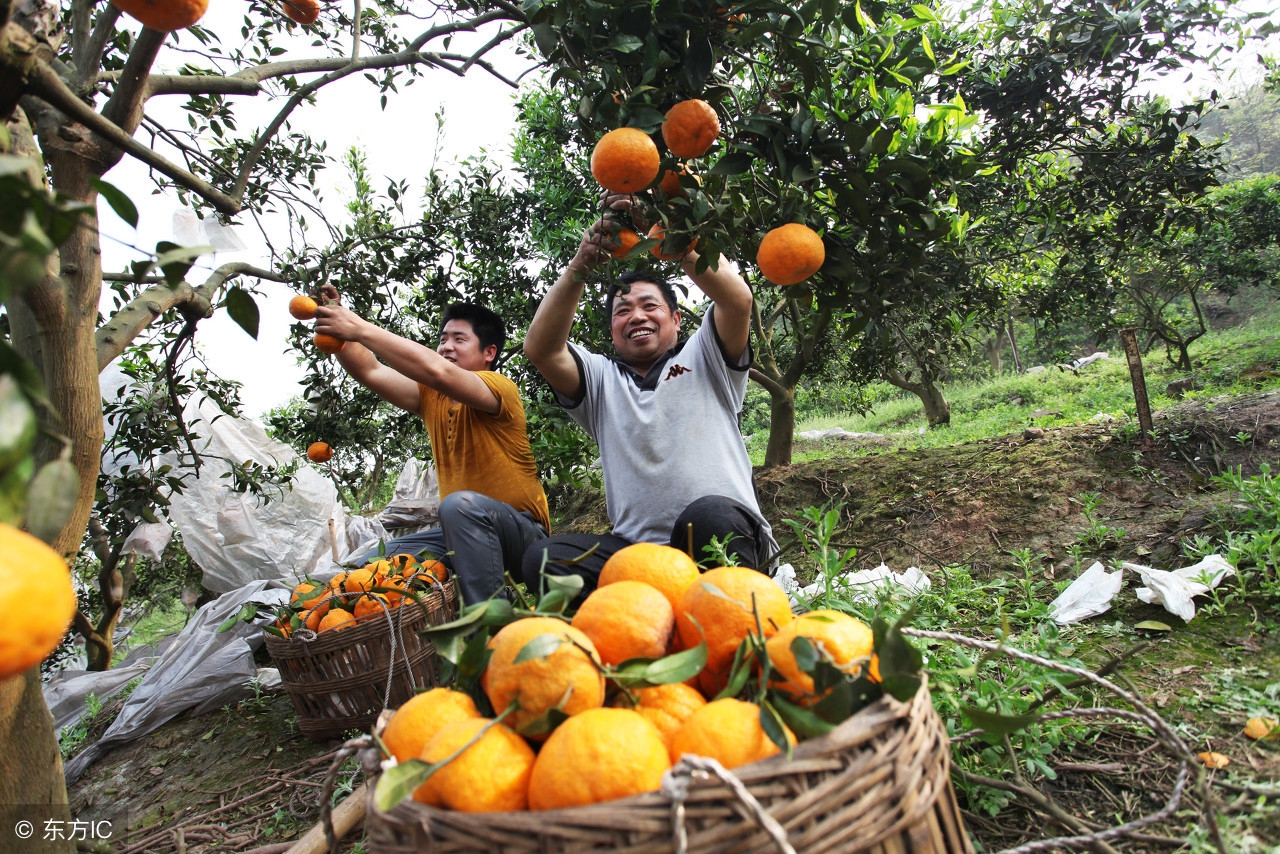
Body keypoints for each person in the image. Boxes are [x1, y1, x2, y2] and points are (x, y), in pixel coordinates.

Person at [520, 194, 776, 600]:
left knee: (709, 514)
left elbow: (737, 299)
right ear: (612, 331)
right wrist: (581, 265)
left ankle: (731, 623)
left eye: (649, 306)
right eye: (622, 311)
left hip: (716, 536)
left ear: (676, 319)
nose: (636, 316)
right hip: (640, 560)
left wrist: (670, 236)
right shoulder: (600, 382)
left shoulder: (706, 355)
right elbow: (541, 348)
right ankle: (633, 631)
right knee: (544, 559)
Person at [313, 285, 550, 606]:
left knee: (459, 506)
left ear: (489, 353)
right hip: (460, 534)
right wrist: (338, 329)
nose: (446, 347)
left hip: (523, 535)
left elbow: (438, 372)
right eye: (442, 340)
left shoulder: (499, 389)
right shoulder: (431, 399)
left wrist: (358, 327)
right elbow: (371, 370)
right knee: (367, 565)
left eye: (459, 339)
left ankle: (492, 625)